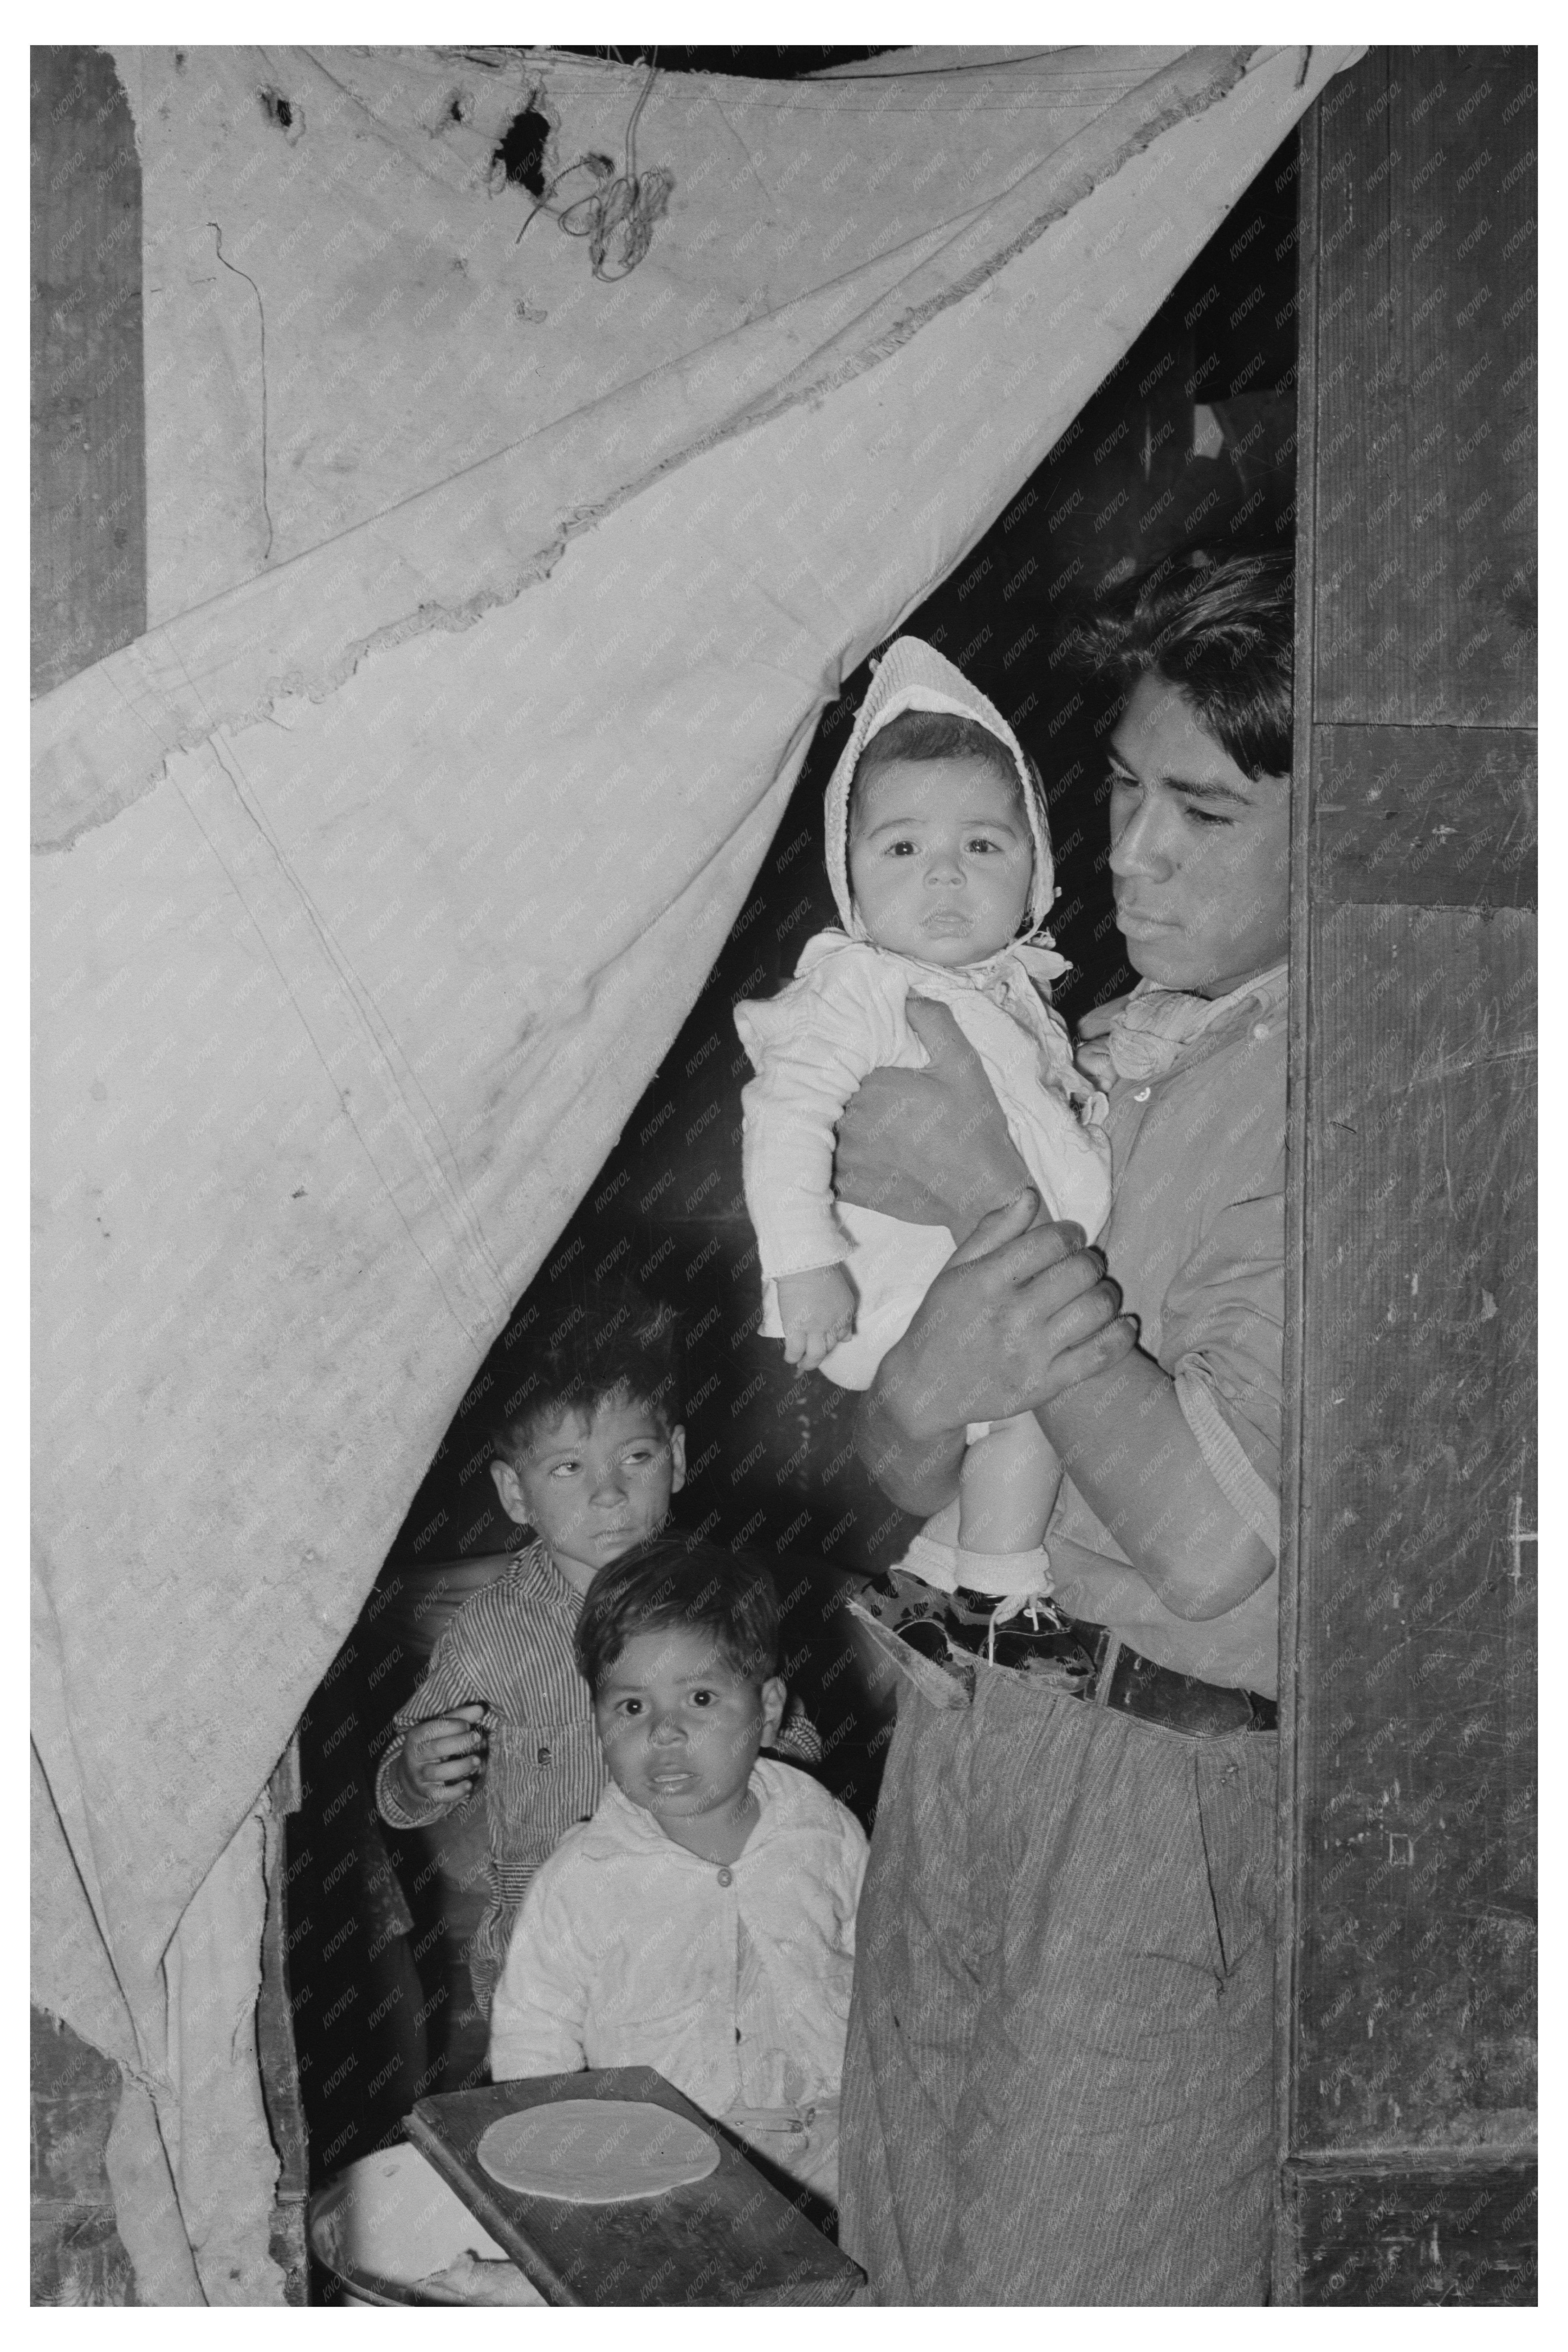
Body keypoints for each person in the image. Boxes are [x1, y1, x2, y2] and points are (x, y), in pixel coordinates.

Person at [832, 549, 1293, 2305]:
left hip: (1156, 1794)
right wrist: (924, 1386)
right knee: (910, 2260)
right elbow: (897, 1457)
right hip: (968, 1726)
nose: (1129, 853)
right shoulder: (1087, 1046)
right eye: (1112, 792)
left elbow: (1205, 1543)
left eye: (1201, 812)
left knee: (1073, 2292)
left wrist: (979, 1198)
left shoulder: (1366, 1088)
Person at [734, 638, 1111, 1612]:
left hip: (962, 1262)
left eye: (982, 845)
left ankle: (935, 1571)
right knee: (1038, 1399)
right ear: (848, 872)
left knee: (1012, 1421)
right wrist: (803, 1259)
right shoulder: (860, 985)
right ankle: (1000, 1601)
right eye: (902, 848)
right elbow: (783, 1112)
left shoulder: (1013, 991)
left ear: (1036, 868)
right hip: (887, 1283)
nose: (944, 877)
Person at [488, 1540, 869, 2204]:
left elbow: (881, 1971)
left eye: (699, 1697)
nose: (663, 1732)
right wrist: (545, 2161)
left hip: (834, 2144)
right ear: (598, 1721)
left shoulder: (823, 1831)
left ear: (769, 1709)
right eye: (631, 1708)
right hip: (662, 2161)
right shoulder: (583, 1876)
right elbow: (533, 2029)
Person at [374, 1289, 688, 2016]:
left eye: (635, 1457)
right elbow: (397, 1795)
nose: (609, 1493)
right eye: (569, 1469)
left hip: (694, 1946)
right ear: (515, 1493)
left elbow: (799, 1746)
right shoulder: (490, 1634)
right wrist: (419, 1776)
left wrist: (770, 1732)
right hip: (547, 1967)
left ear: (675, 1456)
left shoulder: (723, 1606)